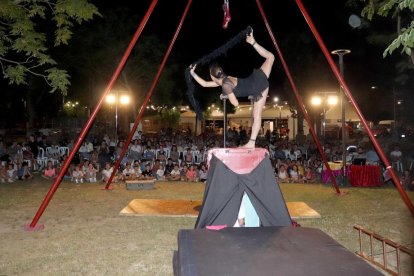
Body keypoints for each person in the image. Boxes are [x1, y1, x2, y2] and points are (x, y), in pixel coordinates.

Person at [189, 30, 275, 148]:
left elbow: (235, 103)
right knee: (271, 57)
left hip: (258, 87)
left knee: (257, 115)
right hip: (257, 77)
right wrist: (192, 74)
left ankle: (251, 143)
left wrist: (227, 95)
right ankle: (253, 42)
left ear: (213, 77)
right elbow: (204, 84)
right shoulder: (225, 79)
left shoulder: (225, 85)